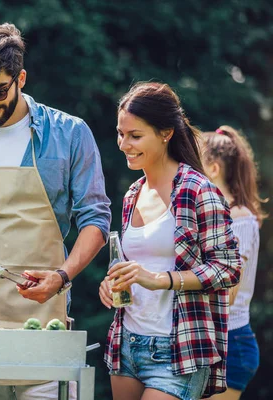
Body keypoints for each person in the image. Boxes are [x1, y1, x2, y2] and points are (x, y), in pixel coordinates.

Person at [0, 23, 111, 399]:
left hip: (44, 324)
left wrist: (62, 276)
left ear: (20, 78)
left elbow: (95, 218)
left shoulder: (70, 134)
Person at [99, 82, 242, 400]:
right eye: (121, 133)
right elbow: (134, 266)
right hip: (127, 344)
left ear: (166, 133)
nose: (124, 144)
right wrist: (111, 285)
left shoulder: (198, 190)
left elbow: (228, 269)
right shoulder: (132, 194)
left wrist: (160, 280)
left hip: (178, 350)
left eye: (135, 136)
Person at [203, 126, 266, 400]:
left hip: (230, 344)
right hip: (216, 343)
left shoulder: (238, 218)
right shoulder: (216, 214)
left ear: (214, 169)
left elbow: (228, 293)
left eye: (196, 162)